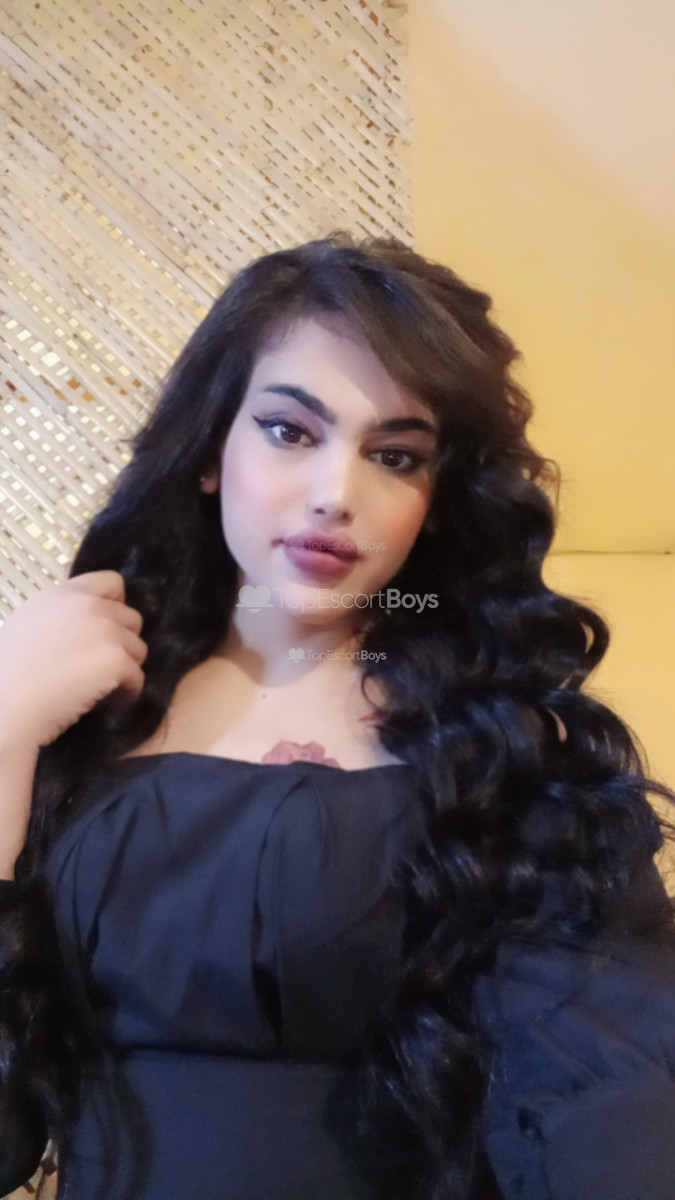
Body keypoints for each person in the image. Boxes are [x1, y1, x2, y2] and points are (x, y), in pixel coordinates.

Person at [1, 232, 675, 1200]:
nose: (334, 496)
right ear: (209, 450)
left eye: (395, 456)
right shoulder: (73, 714)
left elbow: (607, 1119)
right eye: (289, 431)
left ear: (437, 498)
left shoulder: (506, 753)